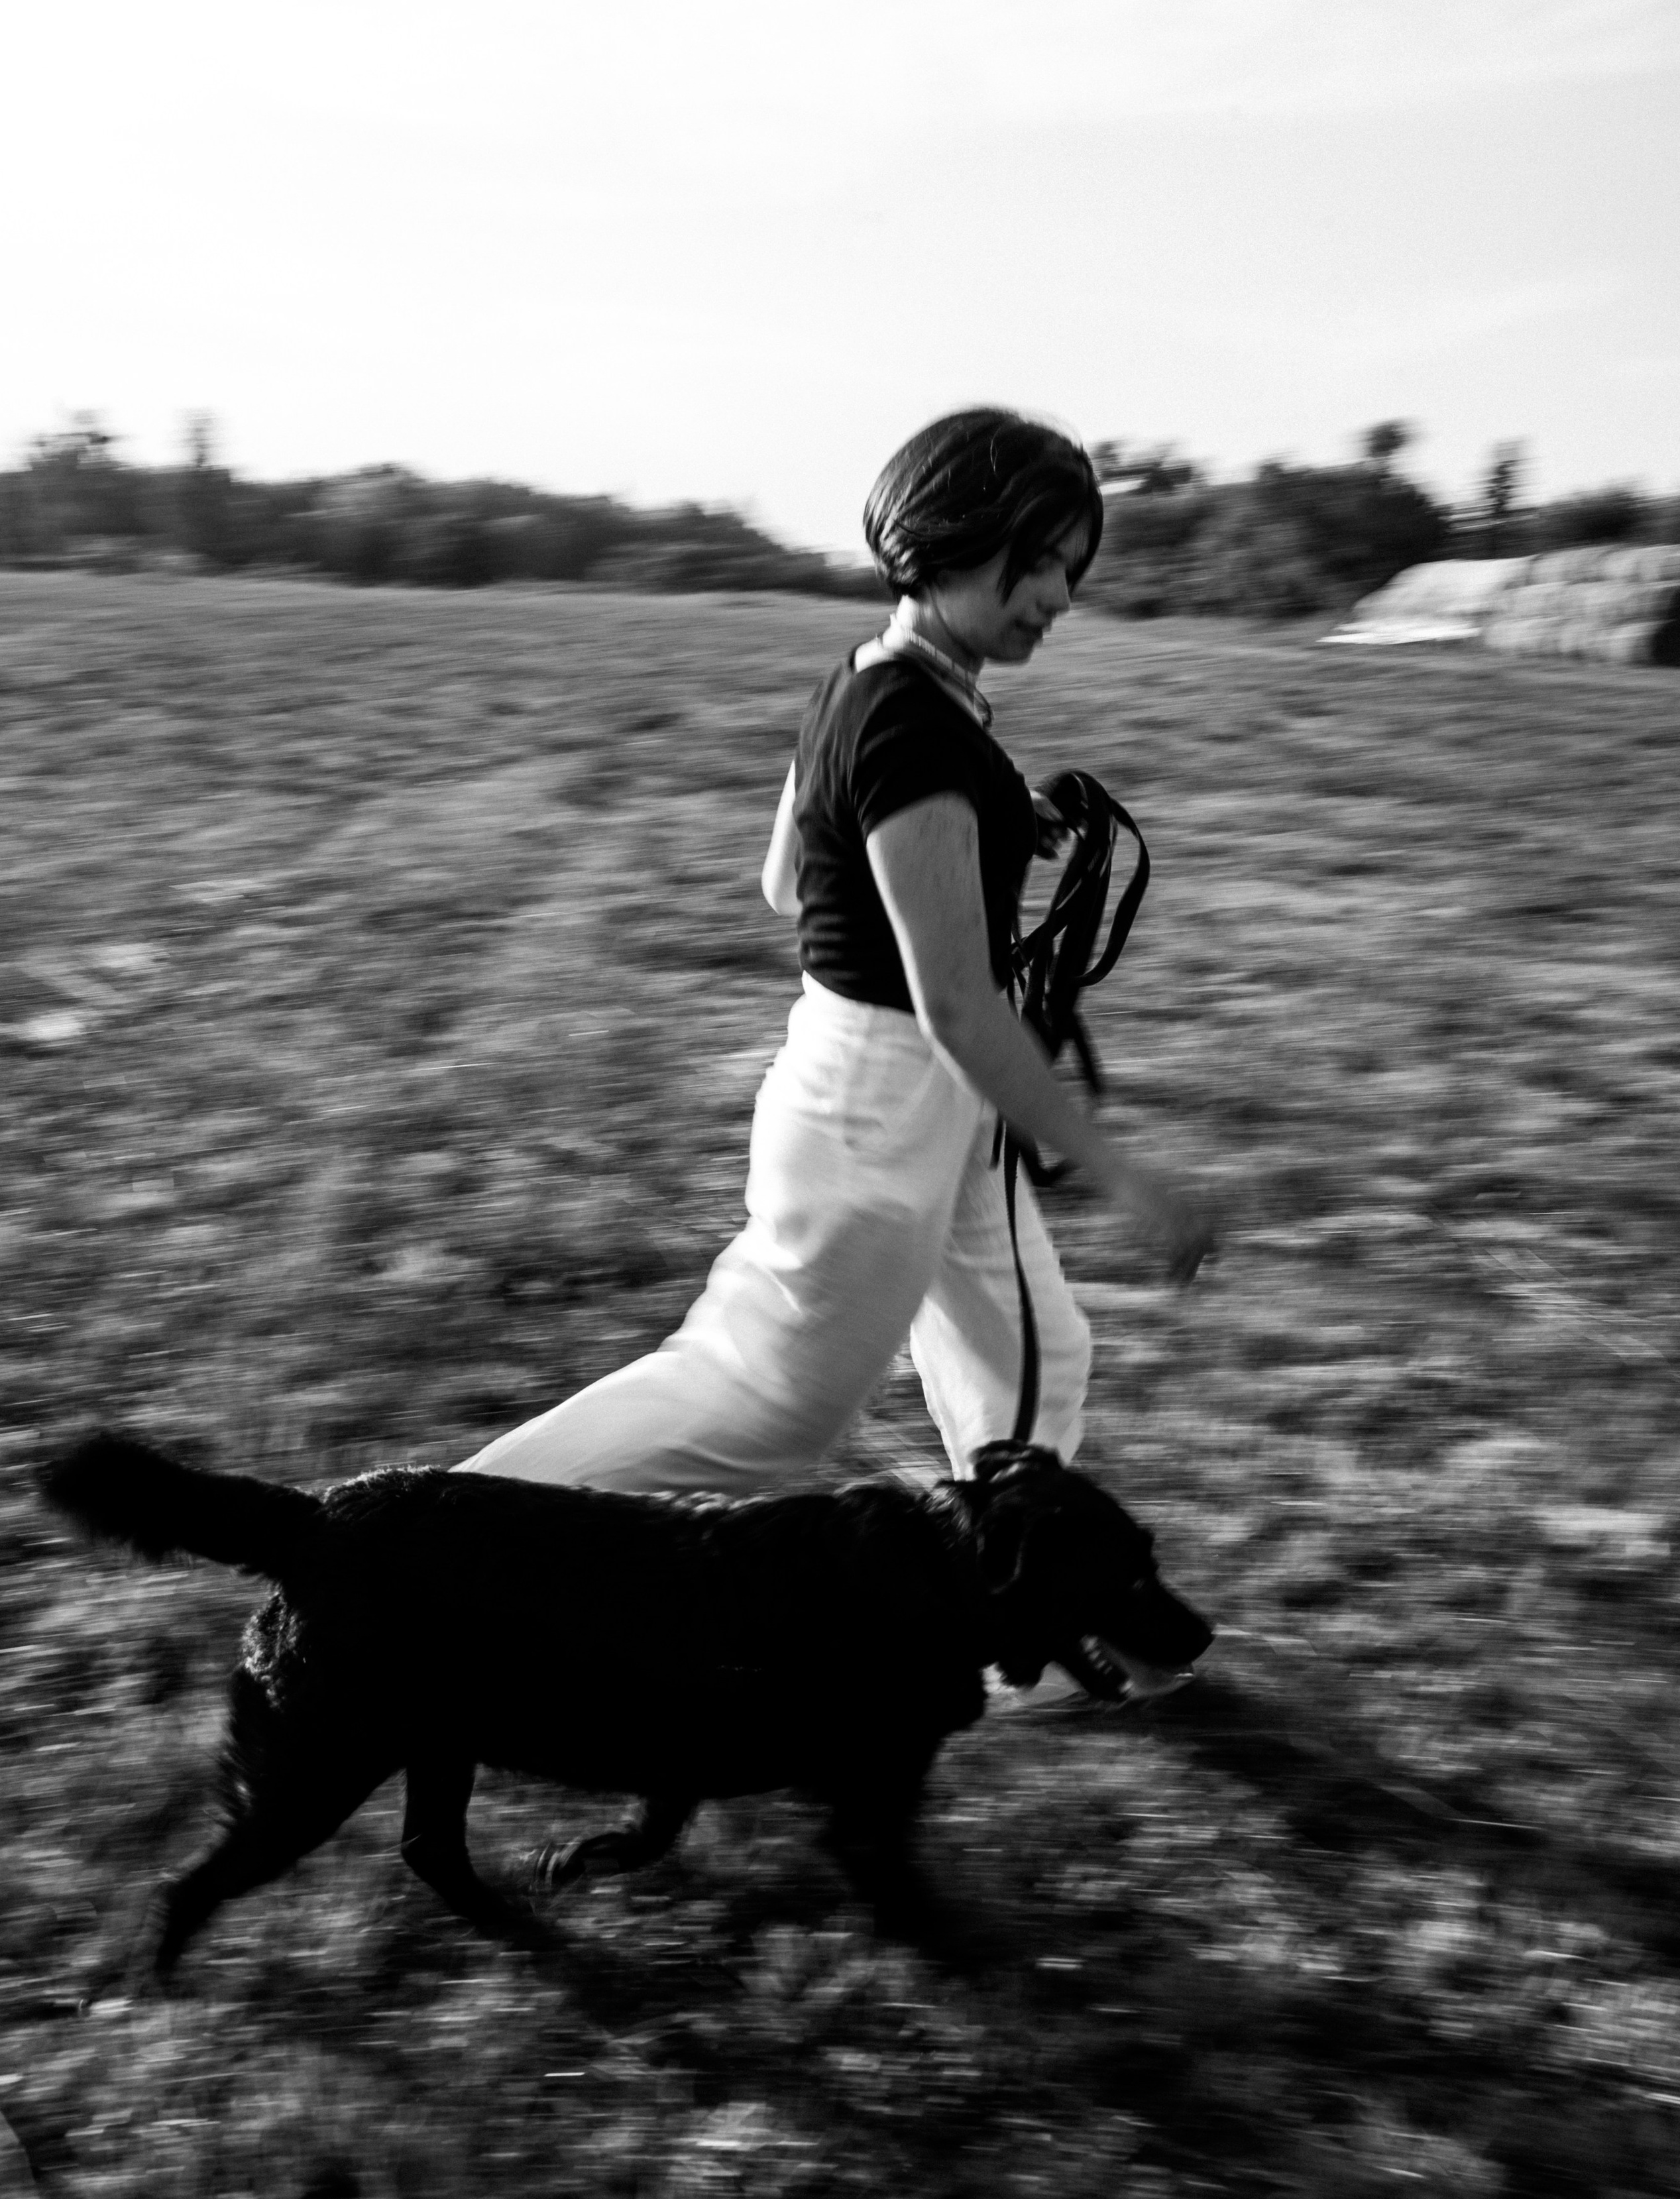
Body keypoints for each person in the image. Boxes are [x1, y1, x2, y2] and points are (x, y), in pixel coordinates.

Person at [460, 407, 1213, 1496]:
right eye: (1039, 562)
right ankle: (420, 1543)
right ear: (950, 536)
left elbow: (788, 881)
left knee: (1029, 1362)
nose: (1060, 595)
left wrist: (993, 825)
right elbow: (956, 1003)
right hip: (883, 1105)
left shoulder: (870, 680)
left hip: (910, 1093)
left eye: (1072, 568)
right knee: (762, 1406)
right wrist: (1125, 1180)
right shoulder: (919, 730)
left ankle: (1014, 1598)